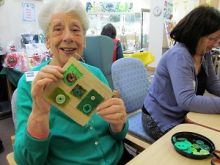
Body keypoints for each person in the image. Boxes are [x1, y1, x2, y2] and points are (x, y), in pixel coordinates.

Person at [14, 0, 133, 164]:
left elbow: (119, 134)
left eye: (75, 30)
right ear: (47, 40)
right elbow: (25, 161)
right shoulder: (30, 85)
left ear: (84, 41)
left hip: (119, 158)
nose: (68, 37)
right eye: (58, 29)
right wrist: (39, 113)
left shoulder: (96, 74)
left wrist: (118, 123)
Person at [142, 6, 220, 140]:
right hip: (159, 119)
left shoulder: (203, 53)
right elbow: (187, 100)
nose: (216, 44)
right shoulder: (180, 55)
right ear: (196, 33)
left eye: (218, 39)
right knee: (202, 146)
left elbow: (212, 83)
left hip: (182, 114)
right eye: (212, 38)